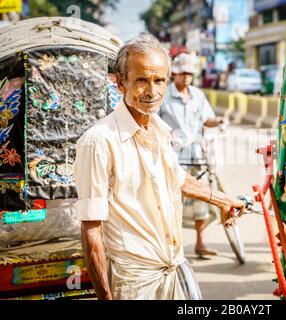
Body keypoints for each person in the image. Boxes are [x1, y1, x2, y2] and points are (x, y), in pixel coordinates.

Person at [74, 34, 245, 300]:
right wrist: (104, 296)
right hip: (134, 278)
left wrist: (223, 201)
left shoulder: (159, 130)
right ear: (121, 83)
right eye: (142, 80)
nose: (152, 92)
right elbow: (91, 227)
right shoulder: (99, 141)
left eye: (159, 81)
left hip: (171, 268)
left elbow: (178, 179)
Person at [158, 53, 228, 258]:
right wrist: (168, 135)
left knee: (202, 198)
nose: (186, 77)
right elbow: (154, 122)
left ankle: (200, 243)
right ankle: (171, 247)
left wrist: (220, 121)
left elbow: (208, 120)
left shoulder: (197, 95)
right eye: (183, 73)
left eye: (190, 74)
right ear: (175, 74)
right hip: (173, 157)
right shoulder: (163, 96)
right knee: (171, 202)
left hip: (197, 155)